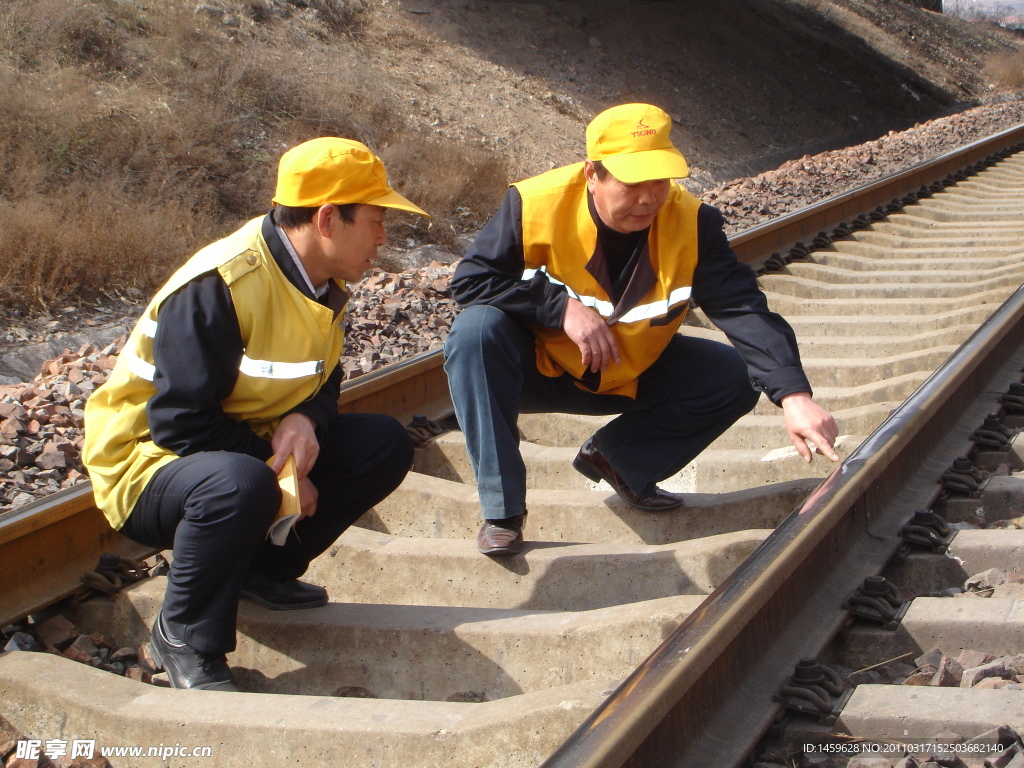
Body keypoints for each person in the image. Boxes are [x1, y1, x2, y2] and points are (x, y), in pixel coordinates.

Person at [83, 138, 426, 690]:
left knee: (383, 443)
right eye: (377, 220)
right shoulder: (221, 283)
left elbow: (324, 375)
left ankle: (258, 573)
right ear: (328, 219)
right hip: (147, 463)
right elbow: (180, 422)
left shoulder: (321, 281)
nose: (384, 238)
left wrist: (308, 419)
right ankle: (185, 634)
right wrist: (282, 476)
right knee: (241, 484)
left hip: (235, 444)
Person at [443, 103, 839, 557]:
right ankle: (503, 512)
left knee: (732, 376)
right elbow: (472, 280)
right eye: (634, 183)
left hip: (627, 370)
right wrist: (560, 308)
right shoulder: (535, 204)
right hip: (539, 370)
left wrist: (793, 394)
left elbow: (742, 306)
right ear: (593, 173)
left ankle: (621, 460)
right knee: (475, 331)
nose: (650, 198)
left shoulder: (692, 222)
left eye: (660, 181)